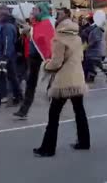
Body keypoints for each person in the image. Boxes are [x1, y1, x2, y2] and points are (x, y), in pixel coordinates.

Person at [34, 8, 90, 157]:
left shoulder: (59, 39)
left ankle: (48, 148)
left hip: (63, 82)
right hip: (78, 78)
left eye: (57, 15)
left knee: (54, 115)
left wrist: (45, 65)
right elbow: (81, 58)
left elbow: (56, 63)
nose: (55, 17)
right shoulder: (77, 38)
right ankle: (84, 142)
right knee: (79, 111)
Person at [14, 2, 55, 119]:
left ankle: (56, 100)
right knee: (30, 83)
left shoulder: (47, 22)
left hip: (43, 57)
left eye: (35, 10)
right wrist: (28, 32)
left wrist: (31, 30)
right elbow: (35, 39)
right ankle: (24, 109)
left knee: (52, 81)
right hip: (34, 57)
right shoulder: (36, 23)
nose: (32, 12)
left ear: (41, 11)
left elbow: (43, 38)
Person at [82, 11, 107, 83]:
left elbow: (96, 39)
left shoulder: (96, 29)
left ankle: (93, 76)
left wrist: (89, 45)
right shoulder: (95, 28)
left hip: (95, 50)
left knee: (92, 63)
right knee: (97, 64)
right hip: (94, 50)